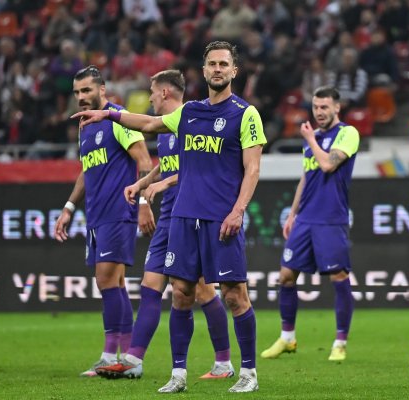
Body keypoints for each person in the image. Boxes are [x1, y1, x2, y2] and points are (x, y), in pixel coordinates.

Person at [71, 41, 267, 394]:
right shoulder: (190, 112)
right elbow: (150, 122)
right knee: (181, 294)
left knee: (235, 295)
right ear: (204, 70)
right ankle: (178, 374)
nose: (218, 69)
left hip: (221, 218)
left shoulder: (246, 113)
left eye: (224, 64)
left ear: (234, 71)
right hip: (183, 218)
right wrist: (109, 115)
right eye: (212, 64)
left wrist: (238, 211)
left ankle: (248, 372)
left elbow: (252, 169)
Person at [94, 69, 234, 380]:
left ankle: (224, 363)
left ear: (165, 93)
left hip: (190, 214)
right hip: (169, 216)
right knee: (150, 285)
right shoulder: (166, 130)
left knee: (202, 292)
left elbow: (201, 168)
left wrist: (162, 185)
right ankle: (134, 360)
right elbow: (168, 164)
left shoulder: (193, 122)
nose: (150, 98)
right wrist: (144, 182)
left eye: (153, 92)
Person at [54, 65, 154, 377]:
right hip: (96, 215)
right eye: (77, 92)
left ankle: (110, 355)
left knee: (107, 281)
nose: (81, 97)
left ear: (102, 89)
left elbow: (145, 161)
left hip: (118, 212)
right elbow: (87, 169)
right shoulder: (84, 126)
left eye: (86, 90)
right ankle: (125, 358)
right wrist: (69, 206)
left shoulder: (120, 118)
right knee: (115, 283)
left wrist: (143, 203)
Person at [260, 86, 359, 362]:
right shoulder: (312, 137)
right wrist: (293, 214)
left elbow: (327, 164)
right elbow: (307, 176)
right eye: (316, 107)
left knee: (339, 277)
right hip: (305, 218)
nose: (319, 112)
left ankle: (340, 342)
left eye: (324, 107)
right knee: (285, 276)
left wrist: (310, 140)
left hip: (331, 218)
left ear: (337, 107)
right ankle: (287, 338)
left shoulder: (347, 133)